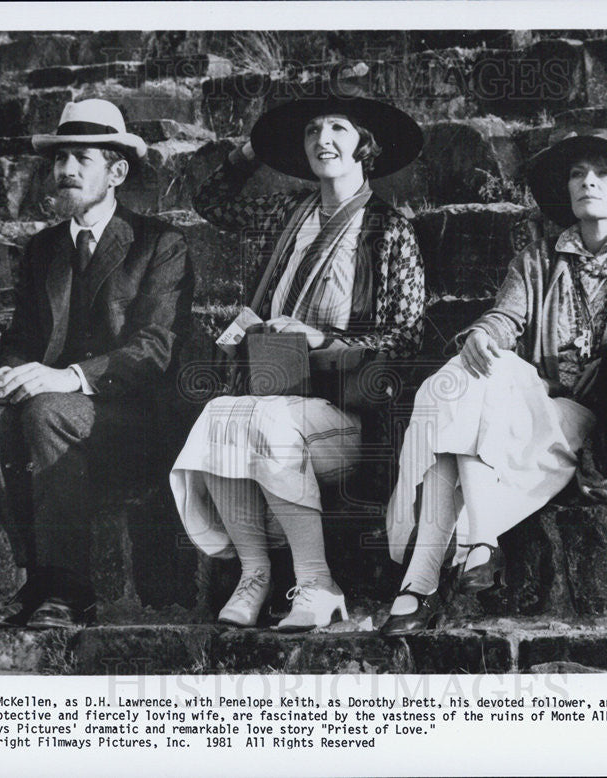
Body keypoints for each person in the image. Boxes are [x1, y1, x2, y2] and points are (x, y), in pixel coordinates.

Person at [381, 128, 607, 635]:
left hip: (597, 417)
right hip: (535, 402)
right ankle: (480, 544)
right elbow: (506, 317)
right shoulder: (537, 257)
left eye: (602, 173)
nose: (587, 181)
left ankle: (419, 584)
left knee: (460, 415)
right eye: (576, 173)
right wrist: (481, 333)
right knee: (463, 375)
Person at [170, 81, 425, 631]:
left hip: (350, 411)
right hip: (275, 393)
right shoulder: (286, 214)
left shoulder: (388, 230)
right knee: (217, 415)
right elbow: (211, 201)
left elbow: (405, 340)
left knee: (262, 418)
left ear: (365, 144)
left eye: (338, 127)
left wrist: (319, 340)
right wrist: (255, 149)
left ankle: (315, 582)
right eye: (311, 130)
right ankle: (256, 573)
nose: (322, 138)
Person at [0, 99, 194, 628]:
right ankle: (38, 578)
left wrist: (70, 377)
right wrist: (10, 372)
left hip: (134, 421)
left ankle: (72, 592)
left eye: (82, 159)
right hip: (52, 413)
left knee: (46, 409)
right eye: (59, 159)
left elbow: (156, 349)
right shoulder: (43, 248)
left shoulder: (160, 243)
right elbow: (21, 337)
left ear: (116, 172)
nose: (65, 171)